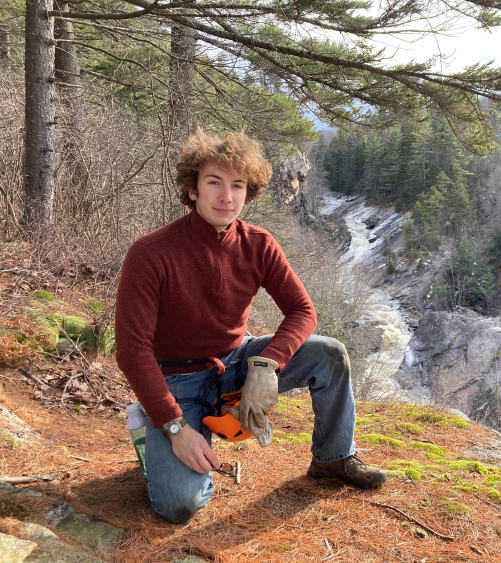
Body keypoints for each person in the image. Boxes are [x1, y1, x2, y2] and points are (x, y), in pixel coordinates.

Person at [115, 131, 386, 524]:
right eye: (214, 183)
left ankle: (334, 458)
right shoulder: (151, 253)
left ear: (248, 192)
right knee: (178, 506)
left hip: (239, 363)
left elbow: (302, 310)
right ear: (192, 189)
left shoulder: (258, 244)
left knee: (328, 353)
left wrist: (266, 365)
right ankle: (158, 435)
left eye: (237, 186)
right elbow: (132, 351)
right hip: (177, 380)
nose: (227, 196)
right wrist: (176, 428)